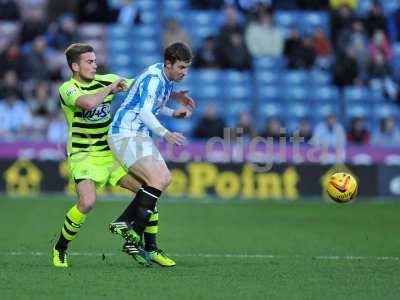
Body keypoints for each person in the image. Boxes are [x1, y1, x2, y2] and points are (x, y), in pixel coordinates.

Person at [53, 43, 193, 268]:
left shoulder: (108, 78)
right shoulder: (67, 88)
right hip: (84, 154)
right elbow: (88, 104)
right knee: (87, 202)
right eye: (89, 62)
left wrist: (173, 95)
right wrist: (109, 88)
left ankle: (151, 248)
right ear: (75, 66)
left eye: (95, 60)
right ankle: (60, 248)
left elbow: (140, 88)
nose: (95, 65)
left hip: (111, 152)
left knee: (148, 191)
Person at [107, 43, 194, 268]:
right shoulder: (154, 78)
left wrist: (174, 112)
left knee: (160, 182)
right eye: (181, 67)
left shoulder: (166, 79)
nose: (184, 72)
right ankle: (131, 233)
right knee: (156, 181)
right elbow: (145, 112)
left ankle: (129, 228)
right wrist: (166, 133)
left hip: (139, 135)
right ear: (168, 64)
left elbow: (154, 106)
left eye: (187, 68)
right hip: (124, 134)